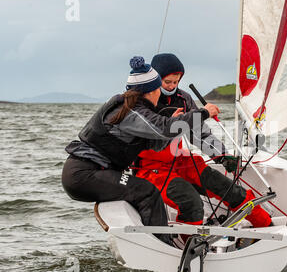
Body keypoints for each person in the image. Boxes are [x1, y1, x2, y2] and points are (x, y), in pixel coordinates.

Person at [61, 56, 220, 245]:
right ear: (150, 91)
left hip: (94, 173)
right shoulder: (129, 111)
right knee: (147, 192)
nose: (159, 95)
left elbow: (155, 143)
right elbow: (163, 127)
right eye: (157, 90)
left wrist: (176, 124)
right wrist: (203, 113)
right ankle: (162, 246)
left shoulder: (136, 109)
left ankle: (151, 241)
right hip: (83, 174)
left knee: (145, 191)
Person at [134, 53, 272, 230]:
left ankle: (267, 226)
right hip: (150, 170)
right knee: (191, 203)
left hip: (181, 161)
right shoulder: (142, 101)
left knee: (230, 190)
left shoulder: (184, 99)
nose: (172, 86)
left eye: (176, 82)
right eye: (167, 82)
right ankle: (189, 246)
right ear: (156, 78)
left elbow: (199, 134)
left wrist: (221, 156)